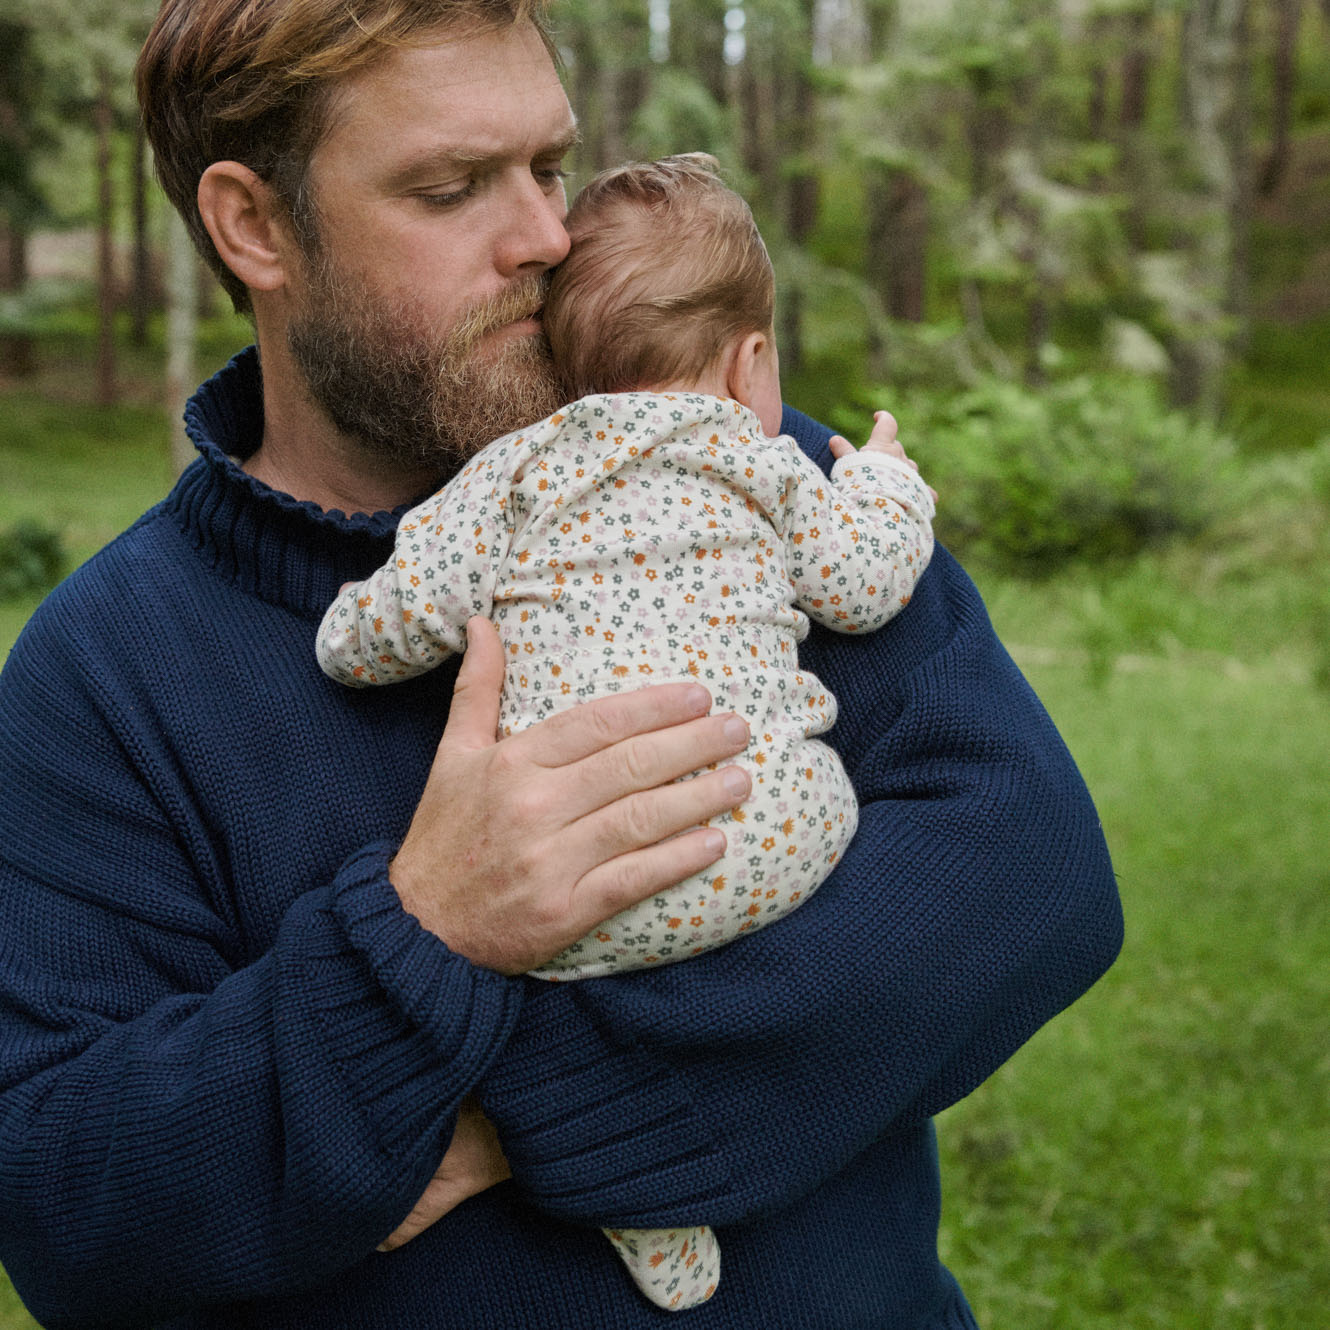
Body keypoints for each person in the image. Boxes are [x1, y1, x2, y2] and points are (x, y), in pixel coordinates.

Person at [0, 1, 1122, 1327]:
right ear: (253, 225)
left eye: (546, 165)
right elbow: (70, 1199)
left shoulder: (730, 467)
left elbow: (1030, 876)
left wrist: (500, 1117)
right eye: (451, 186)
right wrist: (421, 931)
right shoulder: (106, 668)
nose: (544, 234)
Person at [315, 151, 936, 1310]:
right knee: (829, 789)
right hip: (761, 840)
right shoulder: (762, 460)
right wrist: (888, 484)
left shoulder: (514, 467)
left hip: (578, 877)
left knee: (552, 995)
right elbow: (861, 584)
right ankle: (677, 1145)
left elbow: (394, 620)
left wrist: (347, 633)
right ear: (752, 362)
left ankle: (640, 1203)